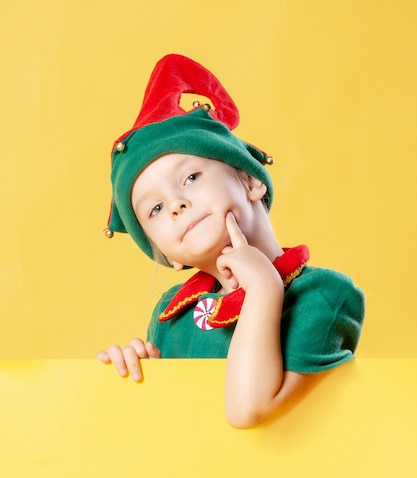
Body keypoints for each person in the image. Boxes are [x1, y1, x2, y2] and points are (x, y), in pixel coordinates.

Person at [97, 54, 365, 429]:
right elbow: (175, 431)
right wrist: (140, 376)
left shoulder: (323, 295)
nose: (176, 205)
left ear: (252, 180)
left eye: (190, 177)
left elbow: (247, 411)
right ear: (165, 255)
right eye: (155, 208)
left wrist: (263, 286)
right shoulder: (171, 319)